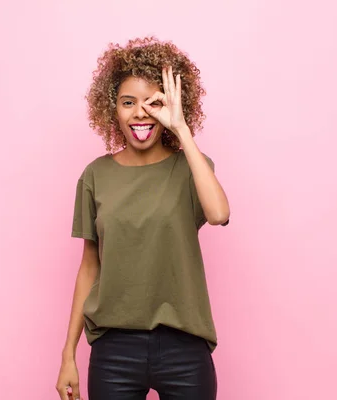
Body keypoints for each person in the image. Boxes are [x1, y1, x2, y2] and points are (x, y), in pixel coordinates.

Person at [56, 36, 230, 400]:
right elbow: (89, 266)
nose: (139, 113)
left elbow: (219, 214)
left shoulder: (191, 168)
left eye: (152, 103)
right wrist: (68, 354)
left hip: (185, 348)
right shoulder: (96, 176)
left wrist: (181, 128)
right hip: (115, 351)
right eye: (128, 103)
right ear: (112, 109)